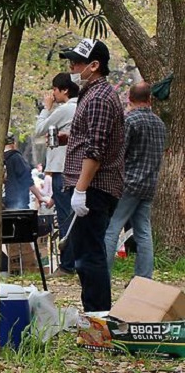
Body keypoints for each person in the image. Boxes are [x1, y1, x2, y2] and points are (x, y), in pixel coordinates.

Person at [59, 38, 124, 312]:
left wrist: (81, 190)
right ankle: (95, 317)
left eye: (77, 62)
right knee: (87, 255)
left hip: (94, 188)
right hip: (90, 186)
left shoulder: (98, 97)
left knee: (89, 257)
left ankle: (97, 320)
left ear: (94, 65)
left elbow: (96, 149)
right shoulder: (92, 93)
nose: (72, 66)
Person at [104, 82, 167, 279]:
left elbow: (118, 154)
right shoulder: (160, 124)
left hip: (128, 184)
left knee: (112, 229)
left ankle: (103, 276)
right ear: (149, 99)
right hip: (149, 185)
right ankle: (144, 279)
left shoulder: (129, 121)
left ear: (129, 99)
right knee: (143, 233)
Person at [36, 72, 79, 277]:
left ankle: (67, 264)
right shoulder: (83, 106)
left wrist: (46, 108)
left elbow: (39, 128)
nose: (52, 93)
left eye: (54, 89)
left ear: (64, 90)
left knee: (65, 216)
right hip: (79, 169)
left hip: (63, 169)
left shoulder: (65, 109)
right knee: (77, 217)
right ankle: (78, 262)